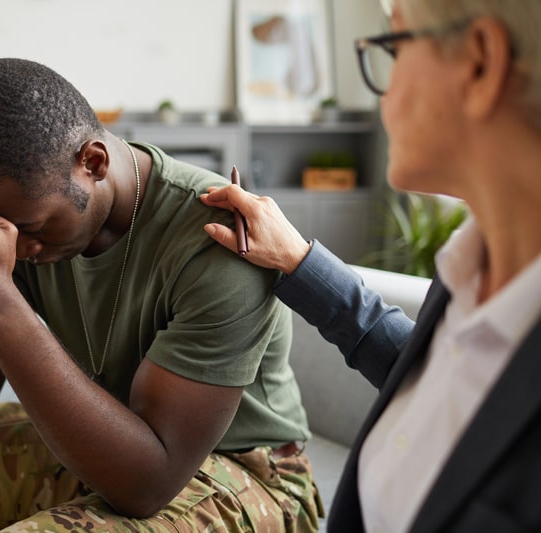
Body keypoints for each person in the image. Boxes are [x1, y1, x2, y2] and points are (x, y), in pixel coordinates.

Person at [0, 57, 323, 532]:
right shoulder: (19, 226)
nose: (20, 247)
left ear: (93, 161)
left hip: (248, 473)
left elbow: (148, 483)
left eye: (31, 227)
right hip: (104, 443)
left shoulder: (218, 241)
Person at [201, 0, 541, 531]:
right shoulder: (469, 275)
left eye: (394, 45)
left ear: (478, 64)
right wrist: (299, 260)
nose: (381, 87)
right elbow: (431, 375)